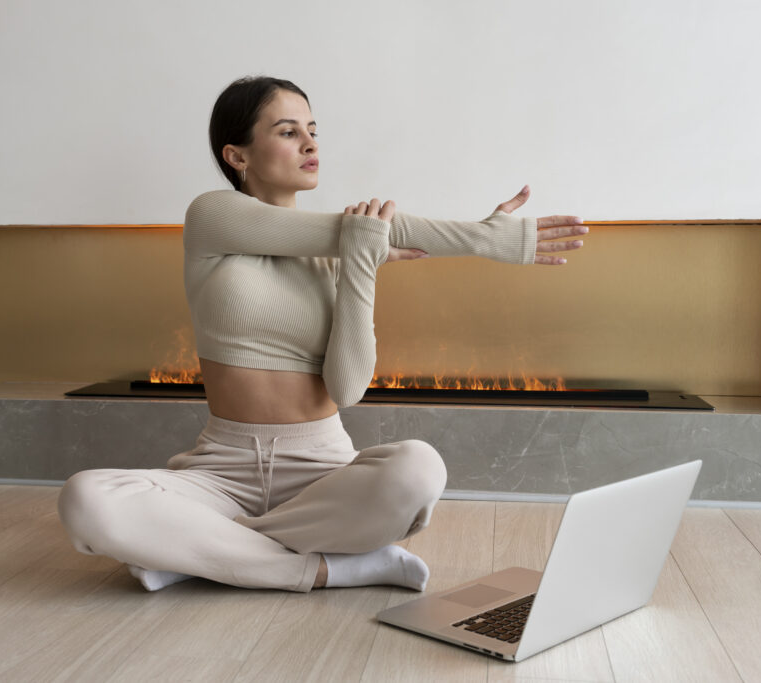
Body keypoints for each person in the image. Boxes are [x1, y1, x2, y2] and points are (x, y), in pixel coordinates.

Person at [57, 76, 587, 593]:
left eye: (312, 129)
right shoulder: (211, 216)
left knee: (418, 469)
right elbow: (363, 230)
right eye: (288, 132)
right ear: (236, 157)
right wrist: (482, 237)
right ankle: (326, 568)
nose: (310, 143)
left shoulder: (342, 249)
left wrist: (361, 263)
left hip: (322, 473)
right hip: (221, 471)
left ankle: (205, 555)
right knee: (86, 499)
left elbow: (348, 389)